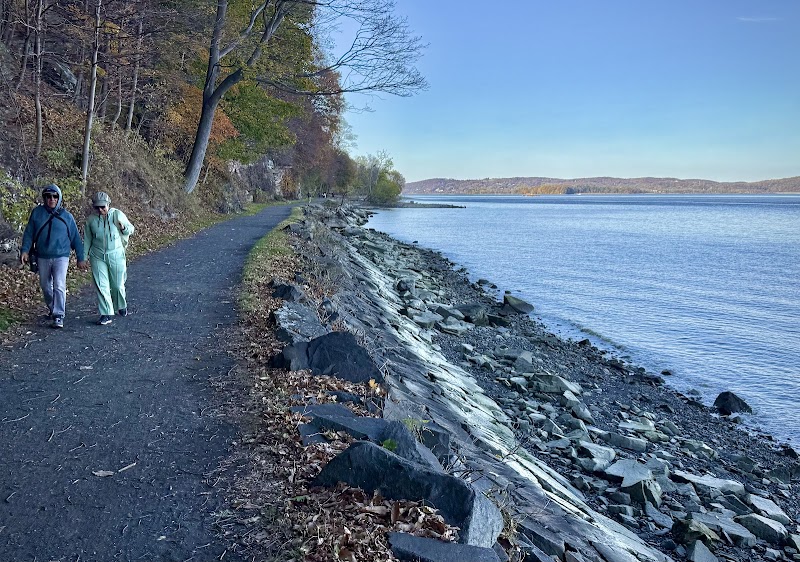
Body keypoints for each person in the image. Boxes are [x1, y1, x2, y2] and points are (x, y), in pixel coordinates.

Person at [20, 184, 88, 329]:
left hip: (61, 256)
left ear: (59, 198)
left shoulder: (67, 217)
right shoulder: (37, 213)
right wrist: (25, 250)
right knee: (45, 286)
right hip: (42, 255)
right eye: (48, 196)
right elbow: (29, 233)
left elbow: (76, 238)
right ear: (44, 198)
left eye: (55, 196)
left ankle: (58, 315)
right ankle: (53, 308)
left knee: (59, 285)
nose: (52, 199)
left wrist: (80, 258)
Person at [83, 191, 135, 325]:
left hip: (116, 254)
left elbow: (131, 229)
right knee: (102, 285)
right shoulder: (91, 220)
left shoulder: (117, 215)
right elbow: (87, 239)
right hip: (97, 255)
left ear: (108, 205)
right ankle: (106, 313)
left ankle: (120, 305)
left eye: (103, 207)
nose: (100, 210)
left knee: (117, 285)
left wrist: (123, 227)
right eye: (97, 207)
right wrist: (83, 257)